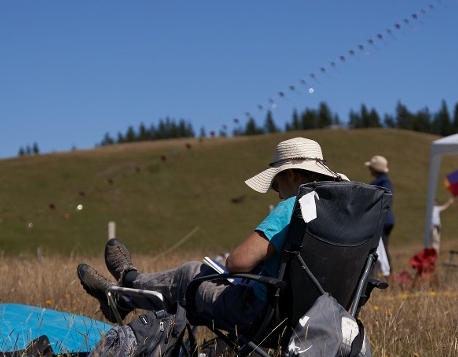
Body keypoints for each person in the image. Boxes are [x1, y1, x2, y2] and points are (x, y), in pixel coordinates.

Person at [76, 137, 344, 334]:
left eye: (277, 182)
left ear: (292, 174)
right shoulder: (342, 213)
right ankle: (123, 294)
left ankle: (125, 288)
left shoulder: (293, 207)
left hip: (266, 314)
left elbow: (237, 263)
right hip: (325, 317)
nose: (276, 191)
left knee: (190, 275)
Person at [364, 155, 395, 258]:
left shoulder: (381, 184)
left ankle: (387, 271)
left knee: (381, 248)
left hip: (382, 221)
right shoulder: (385, 183)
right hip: (386, 220)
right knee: (382, 247)